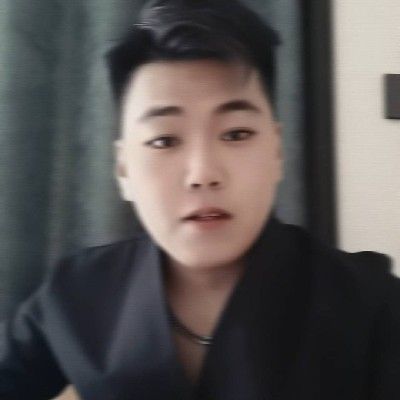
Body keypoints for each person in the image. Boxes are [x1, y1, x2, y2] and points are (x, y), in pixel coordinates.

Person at [1, 0, 399, 399]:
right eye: (164, 140)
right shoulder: (75, 295)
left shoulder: (370, 306)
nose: (203, 173)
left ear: (277, 151)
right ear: (123, 169)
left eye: (236, 134)